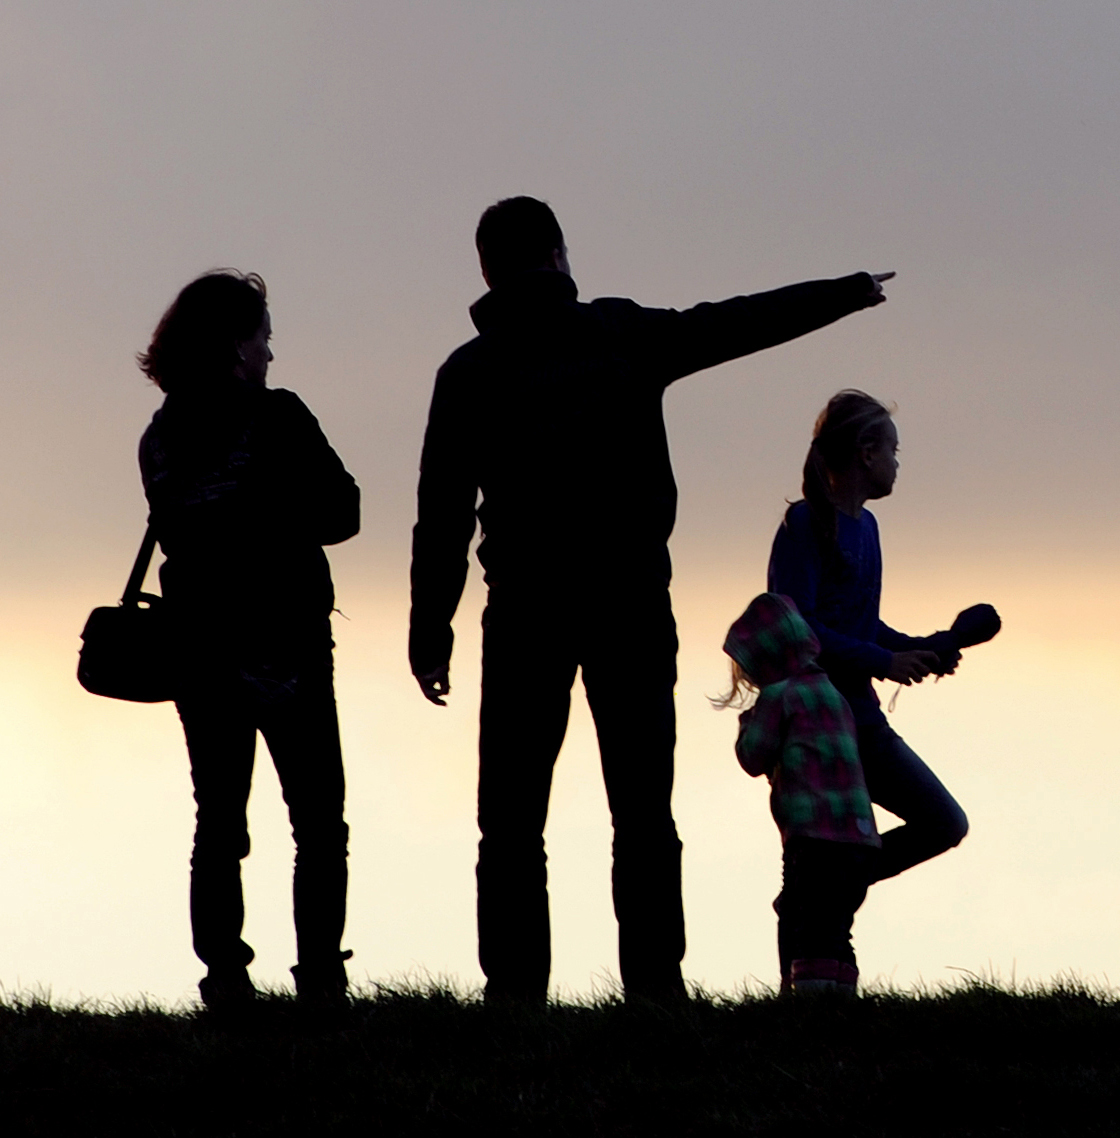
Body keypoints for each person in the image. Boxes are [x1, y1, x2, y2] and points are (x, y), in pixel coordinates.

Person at [408, 196, 891, 1004]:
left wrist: (431, 630)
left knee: (512, 819)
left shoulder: (469, 372)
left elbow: (443, 515)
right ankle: (656, 989)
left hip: (524, 609)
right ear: (561, 255)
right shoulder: (620, 333)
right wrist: (842, 291)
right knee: (642, 811)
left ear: (487, 271)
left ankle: (515, 995)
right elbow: (736, 323)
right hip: (630, 601)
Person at [135, 269, 359, 1008]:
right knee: (317, 821)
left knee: (219, 820)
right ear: (235, 345)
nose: (269, 354)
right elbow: (342, 512)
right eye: (263, 337)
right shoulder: (280, 418)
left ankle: (225, 979)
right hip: (285, 645)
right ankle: (320, 980)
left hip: (198, 651)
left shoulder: (160, 436)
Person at [765, 391, 1000, 981]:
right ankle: (808, 965)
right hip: (818, 724)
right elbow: (799, 625)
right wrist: (881, 659)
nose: (899, 462)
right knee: (809, 866)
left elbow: (859, 623)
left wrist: (913, 647)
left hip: (862, 718)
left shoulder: (866, 527)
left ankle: (826, 892)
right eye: (894, 450)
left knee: (943, 823)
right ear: (867, 453)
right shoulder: (803, 524)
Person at [721, 592, 879, 997]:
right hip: (859, 839)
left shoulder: (779, 697)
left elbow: (752, 757)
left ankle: (805, 1005)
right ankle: (842, 1001)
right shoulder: (832, 693)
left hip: (812, 839)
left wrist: (747, 721)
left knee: (803, 922)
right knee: (836, 928)